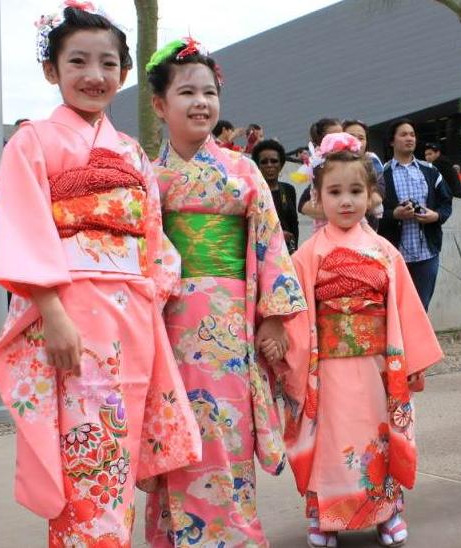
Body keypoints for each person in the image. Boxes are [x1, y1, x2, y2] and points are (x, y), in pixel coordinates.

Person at [0, 4, 202, 546]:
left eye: (109, 63)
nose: (95, 75)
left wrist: (149, 298)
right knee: (85, 450)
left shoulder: (131, 152)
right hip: (72, 311)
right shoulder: (33, 142)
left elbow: (153, 240)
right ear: (52, 71)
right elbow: (20, 225)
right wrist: (50, 312)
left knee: (115, 448)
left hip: (131, 318)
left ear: (123, 73)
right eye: (78, 62)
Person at [144, 37, 307, 547]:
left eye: (209, 93)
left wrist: (275, 317)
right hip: (168, 322)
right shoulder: (149, 178)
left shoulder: (243, 171)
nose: (201, 103)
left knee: (226, 431)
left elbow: (270, 244)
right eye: (187, 92)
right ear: (159, 105)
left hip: (231, 325)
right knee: (176, 432)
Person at [279, 132, 443, 548]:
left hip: (376, 365)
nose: (345, 201)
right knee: (330, 439)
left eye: (356, 191)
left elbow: (405, 308)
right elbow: (297, 317)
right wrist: (289, 361)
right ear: (317, 197)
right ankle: (325, 515)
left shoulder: (385, 250)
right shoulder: (306, 255)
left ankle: (385, 512)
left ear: (372, 196)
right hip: (327, 365)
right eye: (334, 192)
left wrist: (413, 360)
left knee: (378, 435)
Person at [378, 118, 452, 310]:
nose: (409, 138)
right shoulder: (382, 174)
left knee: (421, 308)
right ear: (392, 141)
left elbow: (446, 202)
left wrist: (435, 216)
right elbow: (372, 211)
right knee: (394, 308)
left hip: (427, 253)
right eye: (403, 134)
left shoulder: (430, 171)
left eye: (412, 134)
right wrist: (394, 214)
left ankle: (417, 341)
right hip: (393, 254)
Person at [252, 138, 300, 253]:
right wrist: (276, 235)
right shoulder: (253, 191)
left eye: (274, 161)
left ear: (281, 164)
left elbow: (294, 224)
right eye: (264, 162)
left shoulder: (288, 190)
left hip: (287, 253)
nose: (269, 165)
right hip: (261, 254)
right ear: (257, 166)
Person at [342, 118, 385, 228]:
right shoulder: (330, 164)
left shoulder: (372, 162)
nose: (356, 141)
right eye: (351, 137)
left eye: (361, 138)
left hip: (367, 231)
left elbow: (377, 197)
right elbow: (305, 204)